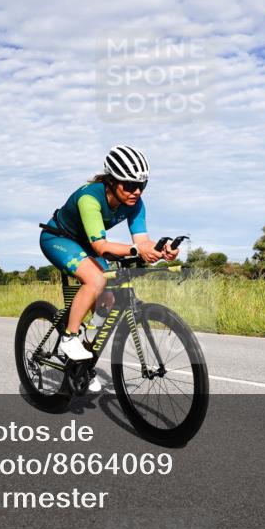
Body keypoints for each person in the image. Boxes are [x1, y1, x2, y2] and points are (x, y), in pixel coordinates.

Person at [39, 146, 178, 390]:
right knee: (96, 281)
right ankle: (69, 338)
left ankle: (84, 360)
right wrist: (138, 251)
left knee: (108, 300)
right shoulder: (89, 198)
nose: (137, 191)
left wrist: (160, 249)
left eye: (142, 186)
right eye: (130, 185)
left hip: (86, 245)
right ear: (112, 181)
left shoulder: (135, 202)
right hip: (58, 239)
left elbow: (142, 242)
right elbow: (101, 245)